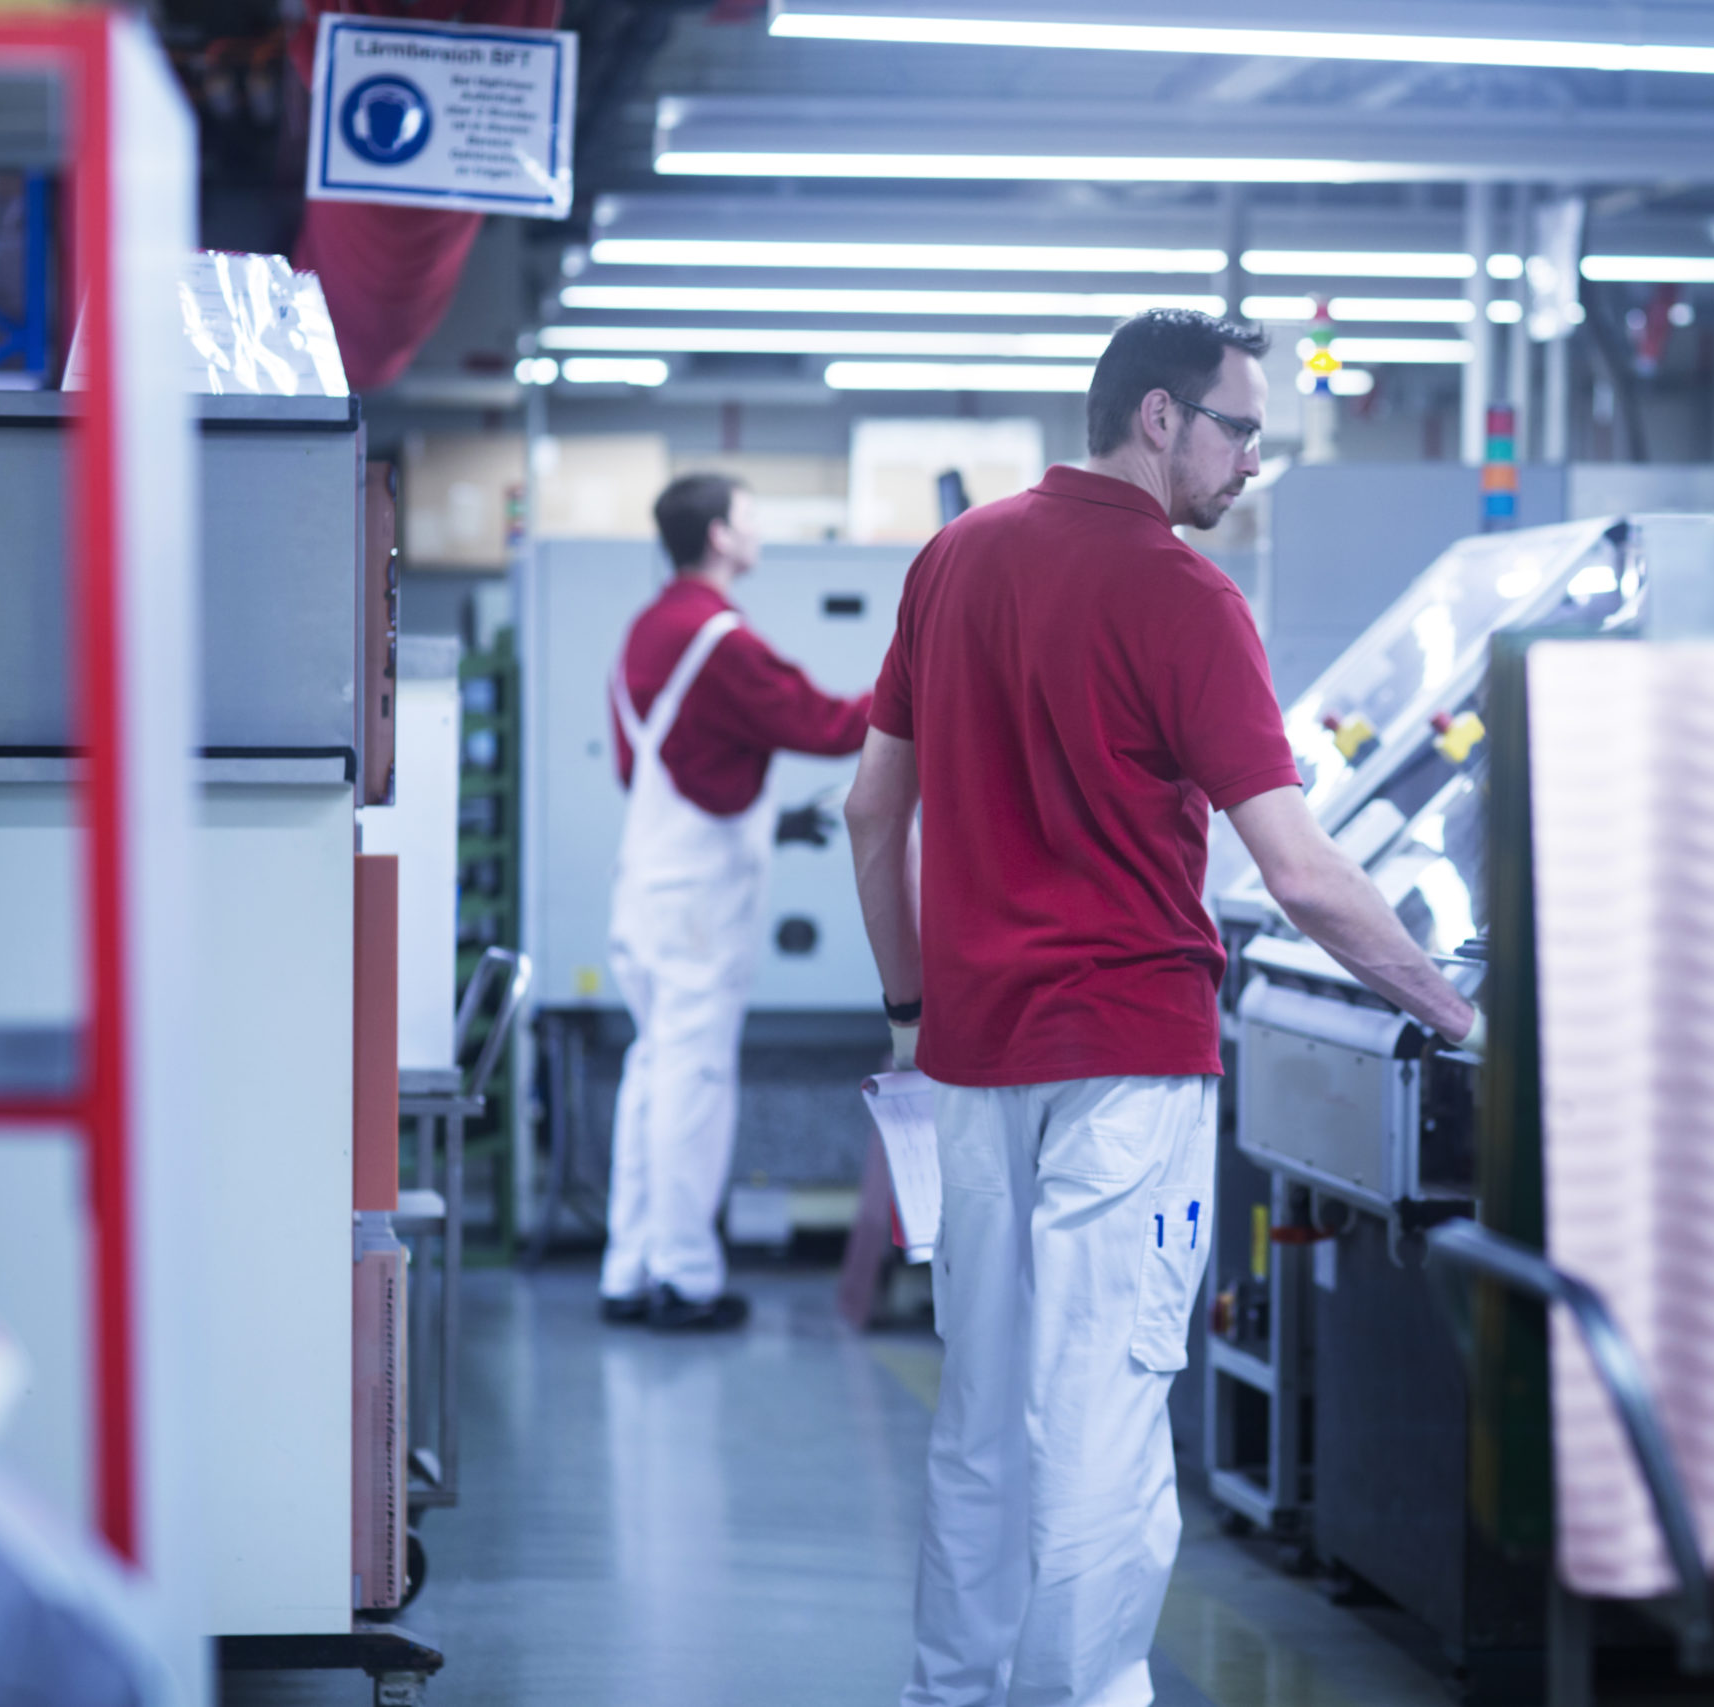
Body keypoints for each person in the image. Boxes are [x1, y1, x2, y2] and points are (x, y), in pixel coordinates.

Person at [846, 310, 1483, 1706]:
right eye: (1241, 426)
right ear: (1157, 417)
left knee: (980, 1420)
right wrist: (1458, 1012)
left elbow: (868, 808)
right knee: (1103, 1421)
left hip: (970, 1062)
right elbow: (1304, 873)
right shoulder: (1186, 600)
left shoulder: (953, 559)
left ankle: (952, 1691)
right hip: (1126, 1063)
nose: (1254, 457)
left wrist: (911, 1003)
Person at [600, 472, 872, 1332]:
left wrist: (771, 818)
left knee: (653, 1073)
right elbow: (827, 724)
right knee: (696, 1078)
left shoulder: (646, 630)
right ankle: (685, 1276)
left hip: (647, 885)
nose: (759, 531)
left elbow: (656, 764)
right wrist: (926, 682)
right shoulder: (719, 638)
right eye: (751, 517)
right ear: (718, 535)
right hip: (700, 904)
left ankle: (630, 1265)